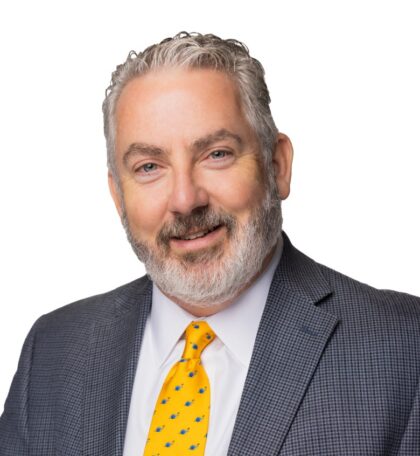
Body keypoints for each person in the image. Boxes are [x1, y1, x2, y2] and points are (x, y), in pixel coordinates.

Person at [1, 32, 419, 456]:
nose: (185, 200)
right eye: (149, 166)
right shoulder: (52, 350)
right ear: (118, 195)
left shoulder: (406, 347)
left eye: (216, 154)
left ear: (277, 165)